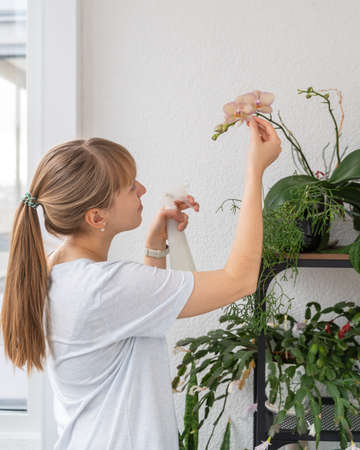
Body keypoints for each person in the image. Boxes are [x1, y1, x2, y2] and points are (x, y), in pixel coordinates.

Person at [0, 116, 281, 450]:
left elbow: (136, 317)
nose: (143, 189)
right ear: (96, 217)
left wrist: (155, 243)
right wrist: (255, 172)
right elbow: (240, 281)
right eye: (131, 185)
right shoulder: (102, 287)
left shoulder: (55, 269)